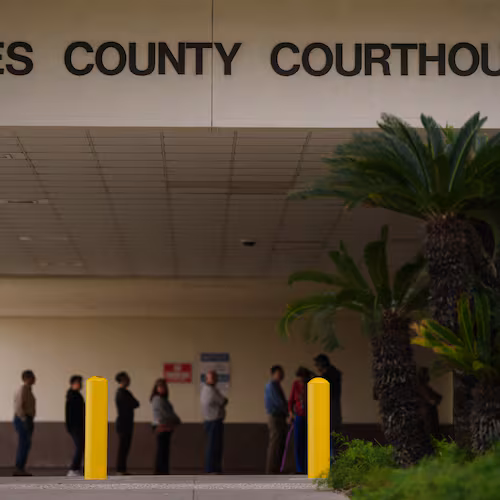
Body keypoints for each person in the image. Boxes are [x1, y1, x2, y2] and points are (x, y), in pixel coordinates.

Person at [313, 354, 342, 459]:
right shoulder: (335, 375)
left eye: (317, 365)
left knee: (330, 443)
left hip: (329, 413)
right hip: (334, 413)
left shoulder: (328, 377)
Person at [151, 378, 180, 475]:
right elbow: (166, 414)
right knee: (162, 450)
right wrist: (176, 419)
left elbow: (170, 413)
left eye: (164, 387)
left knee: (164, 450)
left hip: (166, 427)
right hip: (162, 427)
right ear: (156, 388)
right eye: (160, 387)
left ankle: (163, 470)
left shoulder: (164, 400)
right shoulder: (158, 399)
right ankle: (160, 471)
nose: (162, 389)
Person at [201, 370, 228, 474]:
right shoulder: (211, 391)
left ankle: (214, 469)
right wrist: (224, 401)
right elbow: (224, 401)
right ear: (207, 379)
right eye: (212, 377)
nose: (215, 379)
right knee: (214, 447)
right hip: (214, 422)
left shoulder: (206, 389)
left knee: (214, 447)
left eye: (215, 377)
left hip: (210, 421)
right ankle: (212, 469)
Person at [264, 365, 288, 474]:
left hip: (279, 416)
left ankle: (277, 468)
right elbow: (279, 402)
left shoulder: (276, 385)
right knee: (275, 443)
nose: (282, 375)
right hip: (275, 417)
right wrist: (289, 411)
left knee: (280, 443)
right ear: (273, 374)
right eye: (279, 373)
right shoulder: (272, 386)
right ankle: (272, 469)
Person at [115, 371, 140, 475]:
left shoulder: (125, 392)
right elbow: (134, 403)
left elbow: (136, 404)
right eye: (127, 379)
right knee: (123, 447)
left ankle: (122, 469)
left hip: (127, 423)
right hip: (123, 424)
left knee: (125, 447)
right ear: (122, 380)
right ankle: (120, 469)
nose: (129, 380)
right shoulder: (122, 393)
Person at [289, 367, 312, 474]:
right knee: (298, 443)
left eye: (304, 377)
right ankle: (300, 469)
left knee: (309, 443)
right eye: (300, 377)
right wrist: (290, 413)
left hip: (310, 417)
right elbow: (291, 401)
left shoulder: (311, 385)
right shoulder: (296, 384)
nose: (302, 380)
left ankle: (309, 468)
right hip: (299, 416)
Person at [13, 370, 36, 476]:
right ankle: (19, 468)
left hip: (27, 419)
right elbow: (18, 406)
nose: (35, 379)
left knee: (26, 444)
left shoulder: (28, 390)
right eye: (33, 377)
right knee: (23, 444)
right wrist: (24, 419)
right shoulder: (23, 389)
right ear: (27, 378)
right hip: (23, 419)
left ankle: (21, 468)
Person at [65, 375, 85, 477]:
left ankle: (81, 469)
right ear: (73, 383)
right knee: (80, 446)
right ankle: (73, 469)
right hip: (75, 426)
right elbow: (70, 414)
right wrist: (70, 427)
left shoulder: (77, 395)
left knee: (82, 446)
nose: (81, 385)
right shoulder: (72, 395)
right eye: (79, 382)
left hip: (80, 425)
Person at [417, 367, 442, 438]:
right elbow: (431, 399)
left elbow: (437, 397)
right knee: (429, 432)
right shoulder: (421, 387)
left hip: (429, 413)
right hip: (426, 413)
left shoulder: (425, 387)